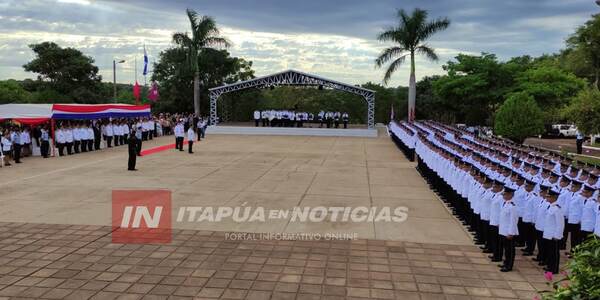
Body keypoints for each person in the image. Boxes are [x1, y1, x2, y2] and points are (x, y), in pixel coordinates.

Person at [543, 189, 564, 274]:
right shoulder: (550, 206)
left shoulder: (557, 209)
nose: (546, 198)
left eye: (548, 196)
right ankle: (550, 266)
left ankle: (554, 268)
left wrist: (557, 235)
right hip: (548, 233)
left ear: (554, 197)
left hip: (553, 235)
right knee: (549, 252)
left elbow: (560, 224)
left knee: (554, 252)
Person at [499, 186, 519, 272]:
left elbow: (513, 221)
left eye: (505, 194)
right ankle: (506, 262)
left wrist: (511, 233)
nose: (504, 196)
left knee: (510, 250)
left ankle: (509, 265)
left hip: (509, 231)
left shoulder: (512, 206)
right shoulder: (505, 203)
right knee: (506, 249)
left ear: (510, 195)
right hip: (504, 230)